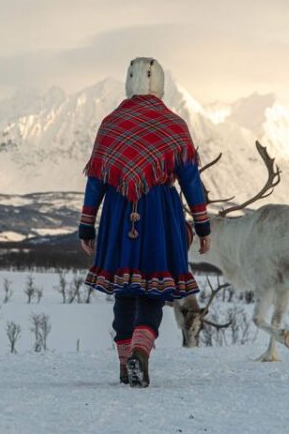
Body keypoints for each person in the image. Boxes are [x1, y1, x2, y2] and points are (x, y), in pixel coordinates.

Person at [79, 57, 211, 388]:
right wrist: (203, 225)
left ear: (129, 83)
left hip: (119, 212)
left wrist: (86, 225)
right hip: (160, 212)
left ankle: (126, 363)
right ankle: (141, 349)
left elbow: (96, 179)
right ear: (161, 86)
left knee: (125, 290)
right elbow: (191, 180)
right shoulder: (174, 124)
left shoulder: (111, 124)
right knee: (154, 287)